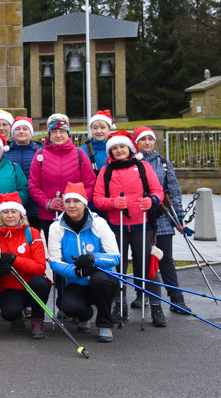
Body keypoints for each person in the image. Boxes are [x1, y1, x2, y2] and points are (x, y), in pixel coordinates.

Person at [93, 130, 166, 327]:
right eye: (115, 148)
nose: (119, 151)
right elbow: (98, 199)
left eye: (122, 147)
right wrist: (113, 203)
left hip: (143, 223)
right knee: (117, 266)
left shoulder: (143, 167)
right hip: (116, 226)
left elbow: (158, 191)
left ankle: (156, 307)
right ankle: (119, 305)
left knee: (146, 266)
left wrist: (151, 201)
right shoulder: (105, 171)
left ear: (129, 148)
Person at [48, 182, 121, 343]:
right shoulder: (56, 227)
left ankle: (104, 324)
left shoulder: (98, 223)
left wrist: (93, 258)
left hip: (101, 277)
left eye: (76, 201)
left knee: (99, 281)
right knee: (68, 306)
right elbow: (54, 262)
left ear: (84, 203)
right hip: (76, 280)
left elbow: (115, 257)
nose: (72, 206)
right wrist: (75, 271)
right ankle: (85, 315)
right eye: (68, 201)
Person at [134, 126, 191, 313]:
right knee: (141, 258)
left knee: (166, 258)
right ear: (136, 142)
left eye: (150, 139)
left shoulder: (164, 163)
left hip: (163, 216)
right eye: (143, 139)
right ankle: (141, 295)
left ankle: (176, 298)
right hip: (141, 216)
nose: (147, 143)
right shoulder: (132, 162)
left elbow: (173, 190)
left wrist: (179, 216)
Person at [28, 114, 97, 240]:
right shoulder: (40, 154)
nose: (58, 135)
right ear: (49, 134)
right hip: (49, 215)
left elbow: (90, 184)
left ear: (68, 133)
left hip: (76, 215)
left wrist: (76, 203)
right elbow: (33, 185)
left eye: (62, 131)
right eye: (54, 132)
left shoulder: (79, 154)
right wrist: (48, 203)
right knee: (54, 252)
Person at [0, 192, 50, 339]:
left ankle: (37, 320)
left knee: (41, 282)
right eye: (5, 212)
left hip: (32, 284)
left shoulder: (32, 233)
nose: (10, 216)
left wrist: (14, 259)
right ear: (0, 216)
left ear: (21, 214)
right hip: (10, 285)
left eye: (14, 211)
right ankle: (16, 315)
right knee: (9, 312)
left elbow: (39, 267)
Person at [5, 116, 42, 228]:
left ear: (30, 132)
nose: (21, 132)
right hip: (11, 206)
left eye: (25, 129)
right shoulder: (5, 153)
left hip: (35, 207)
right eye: (18, 129)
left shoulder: (40, 152)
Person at [81, 109, 114, 176]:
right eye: (95, 128)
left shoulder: (115, 149)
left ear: (109, 129)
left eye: (103, 128)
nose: (99, 131)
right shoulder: (82, 151)